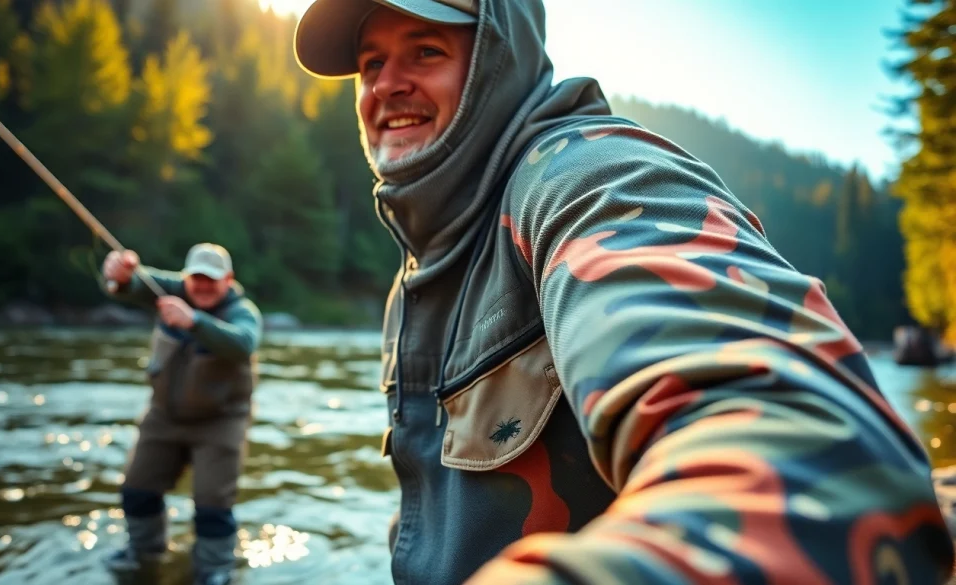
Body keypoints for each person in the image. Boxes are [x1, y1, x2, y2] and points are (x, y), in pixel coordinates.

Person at [293, 0, 956, 583]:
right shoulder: (421, 274)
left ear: (501, 58)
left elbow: (818, 466)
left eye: (426, 50)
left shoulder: (585, 178)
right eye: (369, 62)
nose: (386, 85)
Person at [98, 243, 262, 585]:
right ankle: (143, 554)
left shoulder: (242, 311)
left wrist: (195, 321)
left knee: (212, 504)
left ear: (229, 280)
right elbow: (131, 285)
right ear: (185, 277)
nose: (202, 287)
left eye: (212, 281)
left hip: (221, 422)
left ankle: (214, 570)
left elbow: (244, 342)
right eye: (196, 279)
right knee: (137, 490)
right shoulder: (173, 288)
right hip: (163, 416)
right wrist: (118, 275)